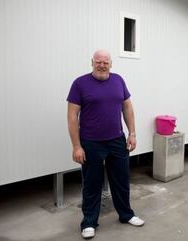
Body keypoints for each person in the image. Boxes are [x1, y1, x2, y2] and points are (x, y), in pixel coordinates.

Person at [67, 50, 144, 239]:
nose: (102, 65)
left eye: (106, 62)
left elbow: (127, 107)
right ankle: (89, 222)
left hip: (117, 140)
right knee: (92, 184)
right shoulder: (80, 83)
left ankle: (126, 215)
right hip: (91, 143)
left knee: (121, 180)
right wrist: (77, 146)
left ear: (111, 64)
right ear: (92, 62)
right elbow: (72, 117)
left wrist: (132, 133)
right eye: (98, 62)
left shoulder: (118, 80)